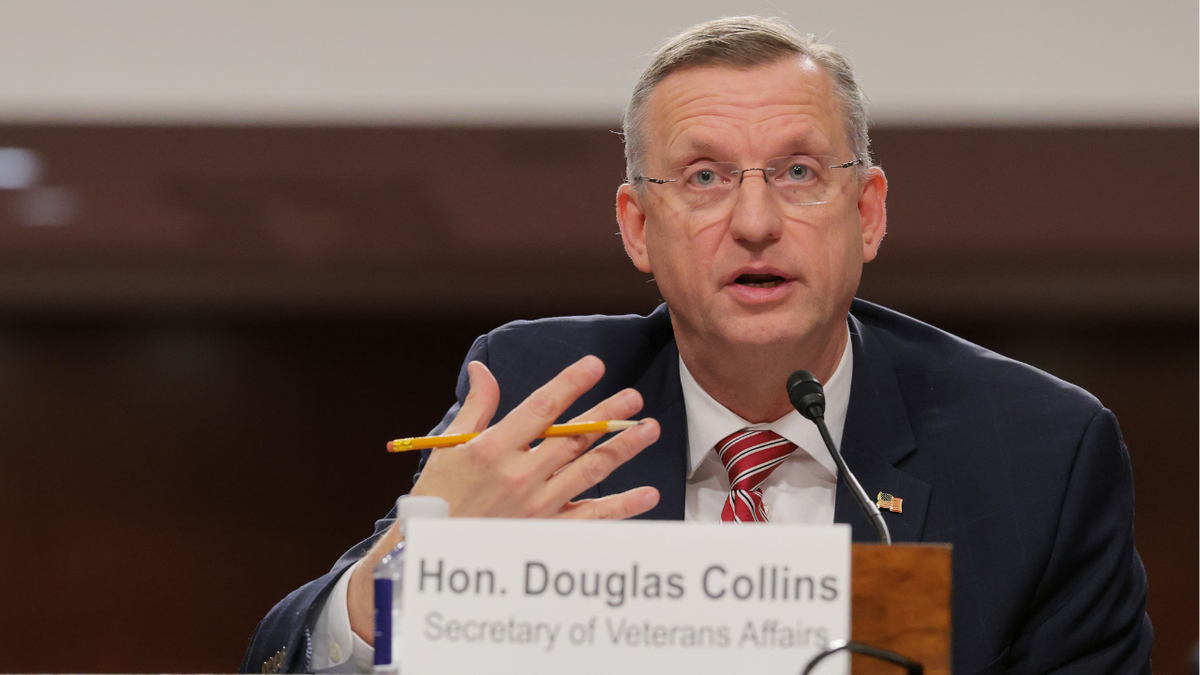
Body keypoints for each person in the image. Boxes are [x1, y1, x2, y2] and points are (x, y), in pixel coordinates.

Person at [241, 17, 1152, 675]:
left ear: (867, 212)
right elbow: (284, 659)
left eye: (799, 171)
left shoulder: (1037, 451)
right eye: (705, 177)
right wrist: (403, 572)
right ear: (639, 226)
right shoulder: (548, 401)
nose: (755, 222)